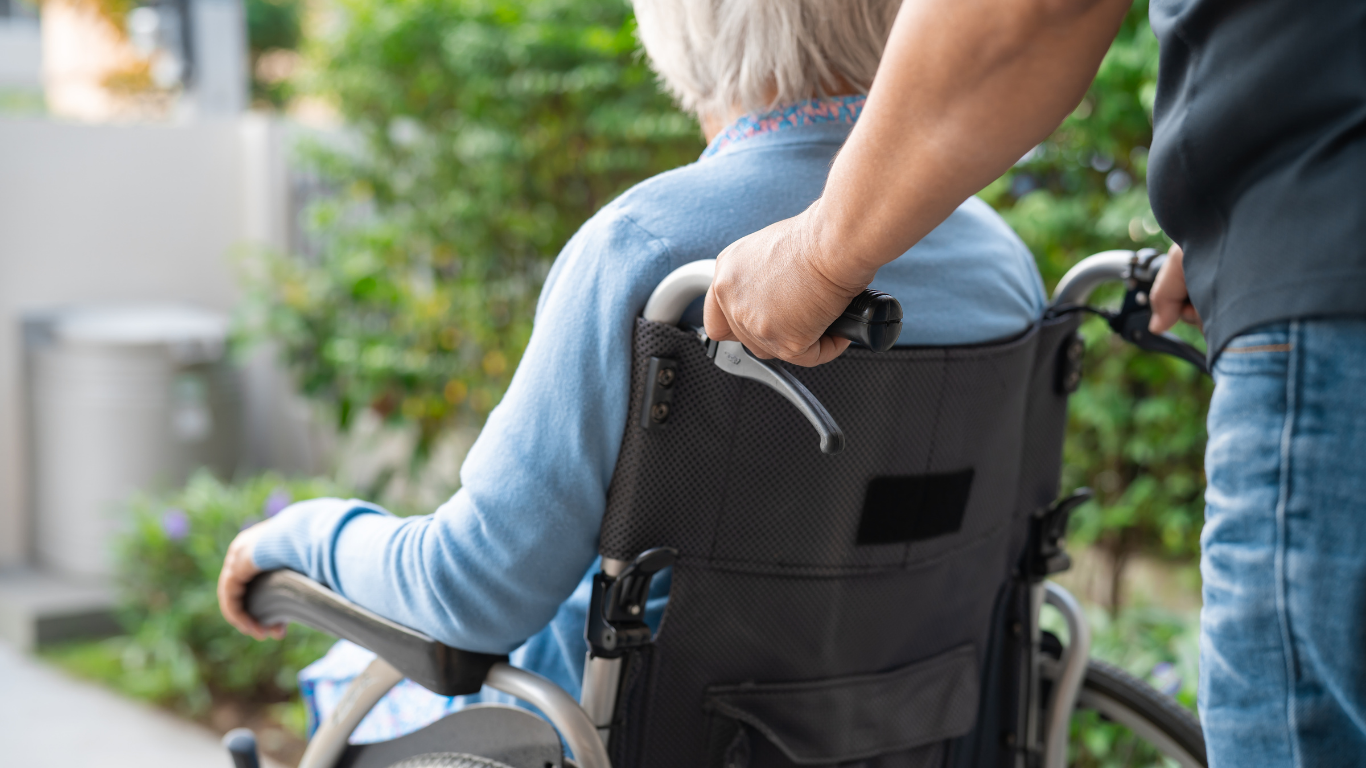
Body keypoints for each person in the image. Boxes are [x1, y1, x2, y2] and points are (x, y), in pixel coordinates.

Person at [216, 0, 1050, 743]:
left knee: (354, 689)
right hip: (911, 730)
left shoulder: (648, 247)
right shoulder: (1003, 264)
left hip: (622, 729)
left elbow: (472, 594)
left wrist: (295, 534)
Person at [706, 0, 1366, 765]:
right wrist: (1238, 217)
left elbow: (1032, 10)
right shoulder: (1003, 268)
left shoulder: (649, 248)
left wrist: (819, 255)